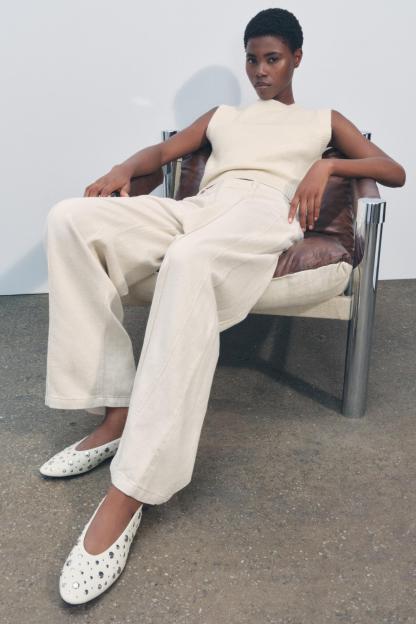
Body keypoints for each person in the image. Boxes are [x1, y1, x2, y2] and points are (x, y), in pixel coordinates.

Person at [40, 7, 406, 605]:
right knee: (70, 220)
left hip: (265, 213)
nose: (260, 71)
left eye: (273, 59)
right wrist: (122, 168)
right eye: (252, 59)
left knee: (189, 261)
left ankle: (132, 489)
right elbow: (163, 155)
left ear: (297, 59)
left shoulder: (323, 120)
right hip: (201, 206)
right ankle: (115, 411)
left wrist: (330, 162)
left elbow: (393, 170)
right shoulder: (223, 117)